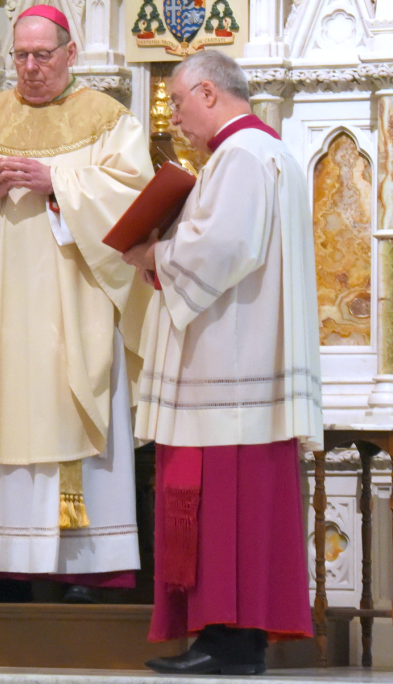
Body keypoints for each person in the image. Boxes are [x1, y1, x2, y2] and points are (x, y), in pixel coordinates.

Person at [0, 5, 154, 604]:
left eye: (41, 56)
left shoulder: (108, 120)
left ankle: (84, 567)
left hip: (73, 306)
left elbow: (135, 196)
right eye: (20, 56)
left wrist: (61, 186)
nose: (29, 68)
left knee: (71, 408)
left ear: (69, 55)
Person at [123, 50, 323, 676]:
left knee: (224, 510)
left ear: (207, 93)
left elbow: (224, 247)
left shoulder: (239, 157)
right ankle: (234, 642)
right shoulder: (272, 153)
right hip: (245, 358)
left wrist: (154, 255)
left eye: (179, 104)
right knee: (242, 512)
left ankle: (228, 643)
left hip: (227, 365)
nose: (176, 118)